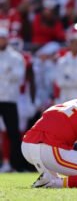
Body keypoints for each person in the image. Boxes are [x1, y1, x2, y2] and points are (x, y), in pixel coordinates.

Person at [0, 27, 26, 172]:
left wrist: (4, 74)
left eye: (2, 38)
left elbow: (18, 77)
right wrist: (6, 72)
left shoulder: (15, 57)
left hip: (9, 98)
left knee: (13, 133)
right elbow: (11, 75)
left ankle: (16, 165)